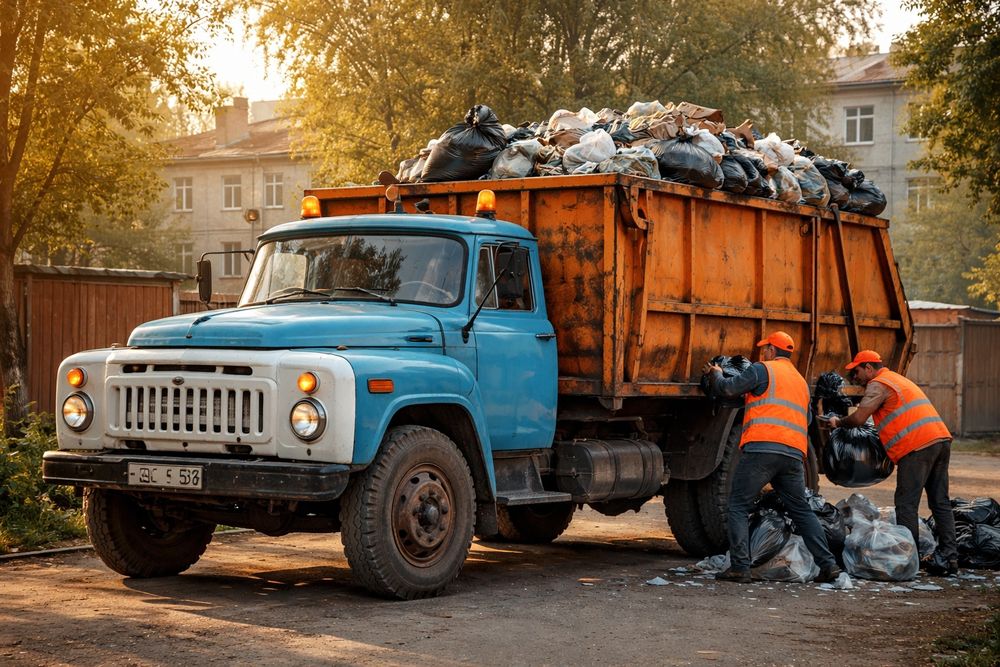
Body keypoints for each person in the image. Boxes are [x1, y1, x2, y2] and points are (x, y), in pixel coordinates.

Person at [702, 331, 841, 584]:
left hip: (762, 450)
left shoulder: (761, 370)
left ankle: (740, 568)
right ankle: (829, 566)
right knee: (801, 510)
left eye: (764, 348)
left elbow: (728, 389)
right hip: (793, 455)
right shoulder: (800, 382)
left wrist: (716, 373)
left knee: (738, 506)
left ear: (771, 351)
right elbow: (806, 420)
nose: (762, 352)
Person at [827, 350, 958, 575]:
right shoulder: (898, 379)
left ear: (869, 368)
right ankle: (950, 558)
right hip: (940, 440)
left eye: (857, 370)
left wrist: (838, 422)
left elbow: (859, 418)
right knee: (940, 502)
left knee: (906, 503)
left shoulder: (878, 384)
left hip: (917, 447)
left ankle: (909, 561)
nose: (855, 376)